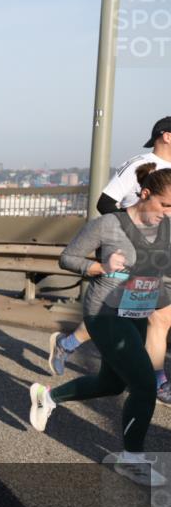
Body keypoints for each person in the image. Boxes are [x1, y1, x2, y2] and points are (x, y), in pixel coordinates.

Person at [31, 163, 171, 487]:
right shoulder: (109, 224)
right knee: (144, 384)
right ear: (145, 194)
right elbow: (68, 258)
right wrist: (100, 266)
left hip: (136, 311)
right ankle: (131, 460)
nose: (168, 213)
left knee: (112, 384)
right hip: (104, 312)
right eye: (165, 205)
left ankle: (47, 397)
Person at [49, 117, 171, 405]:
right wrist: (131, 232)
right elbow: (105, 201)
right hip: (131, 251)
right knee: (150, 316)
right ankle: (156, 383)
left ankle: (69, 344)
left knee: (149, 317)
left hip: (160, 252)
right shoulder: (141, 164)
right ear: (166, 135)